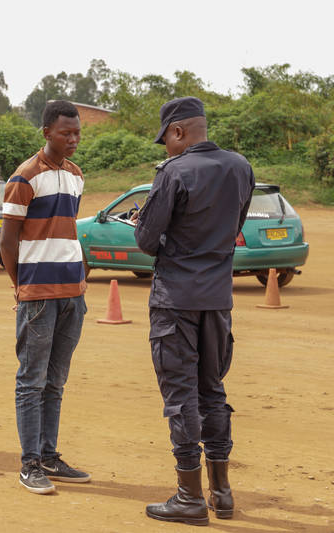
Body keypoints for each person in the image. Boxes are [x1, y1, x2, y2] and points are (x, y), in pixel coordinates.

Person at [133, 97, 254, 526]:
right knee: (213, 391)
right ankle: (222, 494)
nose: (165, 146)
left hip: (176, 301)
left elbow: (147, 241)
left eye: (166, 137)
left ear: (179, 132)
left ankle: (189, 497)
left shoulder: (174, 172)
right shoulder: (240, 166)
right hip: (218, 300)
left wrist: (168, 242)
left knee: (180, 396)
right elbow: (235, 224)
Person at [0, 100, 90, 494]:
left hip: (73, 293)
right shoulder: (24, 177)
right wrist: (21, 286)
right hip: (37, 294)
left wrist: (81, 279)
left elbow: (66, 230)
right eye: (65, 133)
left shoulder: (76, 175)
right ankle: (29, 464)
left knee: (56, 381)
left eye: (77, 133)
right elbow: (7, 240)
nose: (72, 139)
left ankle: (49, 456)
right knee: (31, 381)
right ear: (46, 133)